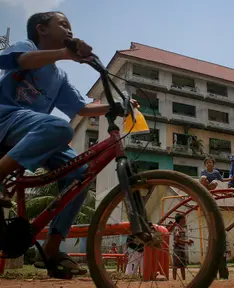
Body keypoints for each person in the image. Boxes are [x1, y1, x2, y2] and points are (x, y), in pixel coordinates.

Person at [0, 12, 137, 277]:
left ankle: (52, 248)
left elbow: (82, 107)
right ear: (41, 29)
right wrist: (65, 52)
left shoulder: (59, 76)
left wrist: (117, 105)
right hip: (6, 119)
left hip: (33, 130)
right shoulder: (28, 48)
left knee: (80, 176)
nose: (69, 30)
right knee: (59, 127)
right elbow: (21, 61)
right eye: (63, 25)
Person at [172, 213, 193, 281]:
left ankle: (183, 279)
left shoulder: (181, 228)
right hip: (177, 249)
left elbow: (181, 239)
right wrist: (187, 242)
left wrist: (188, 241)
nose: (185, 220)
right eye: (184, 219)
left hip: (182, 248)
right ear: (181, 220)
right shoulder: (177, 228)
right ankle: (174, 280)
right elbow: (177, 240)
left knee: (182, 265)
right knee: (175, 265)